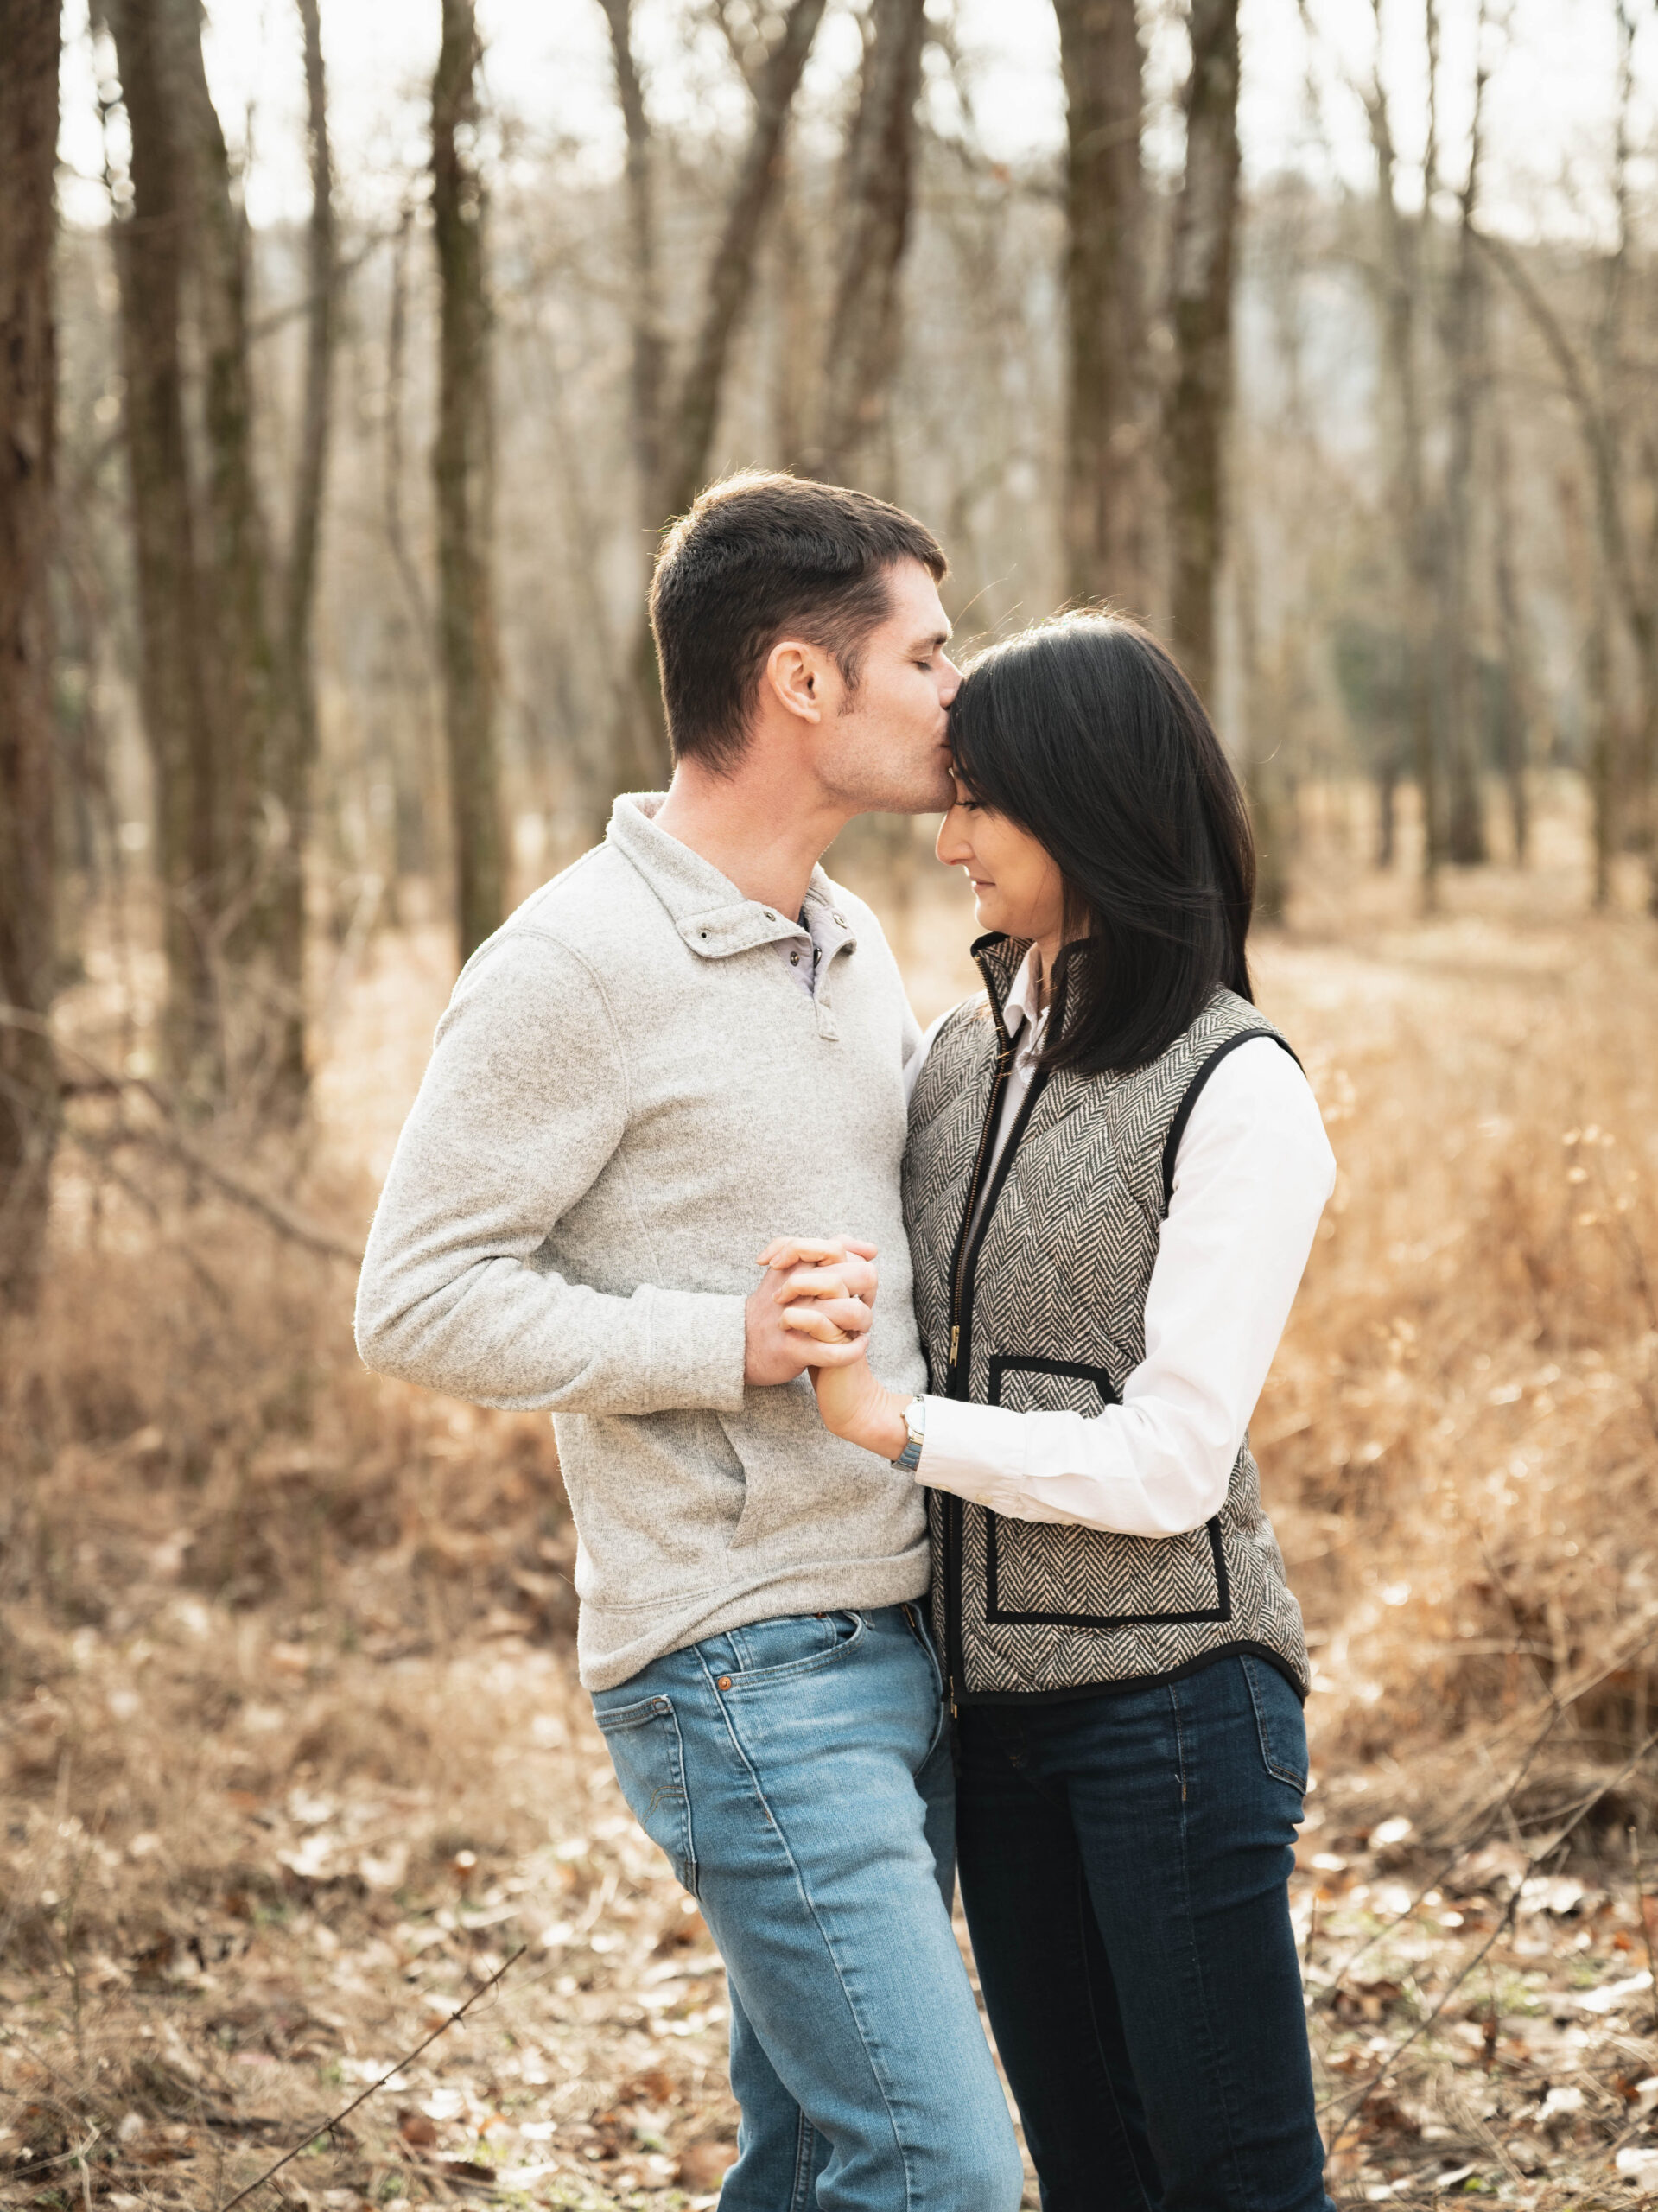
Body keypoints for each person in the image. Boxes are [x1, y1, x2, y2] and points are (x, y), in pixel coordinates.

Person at [354, 473, 1024, 2212]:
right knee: (937, 2165)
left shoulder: (856, 934)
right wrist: (715, 1338)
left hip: (901, 1617)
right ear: (806, 683)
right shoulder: (572, 962)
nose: (962, 690)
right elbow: (415, 1292)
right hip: (738, 1659)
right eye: (928, 654)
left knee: (814, 2155)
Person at [800, 612, 1338, 2212]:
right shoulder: (961, 1054)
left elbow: (1174, 1461)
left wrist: (902, 1426)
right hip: (997, 1725)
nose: (948, 837)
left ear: (1089, 801)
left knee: (1234, 2182)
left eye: (981, 802)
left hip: (1175, 1706)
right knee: (1091, 2179)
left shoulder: (1239, 1089)